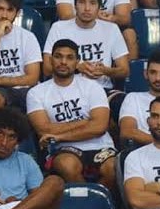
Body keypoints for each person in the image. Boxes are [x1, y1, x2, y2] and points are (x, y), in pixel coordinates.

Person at [28, 39, 117, 190]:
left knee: (113, 168)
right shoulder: (36, 93)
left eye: (69, 57)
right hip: (64, 149)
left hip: (100, 146)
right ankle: (86, 201)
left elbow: (100, 127)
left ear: (77, 62)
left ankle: (99, 201)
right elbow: (44, 130)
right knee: (67, 165)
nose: (63, 62)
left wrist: (60, 135)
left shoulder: (93, 87)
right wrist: (85, 122)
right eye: (58, 56)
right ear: (50, 60)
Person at [44, 0, 129, 114]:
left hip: (101, 89)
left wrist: (106, 70)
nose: (87, 8)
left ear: (99, 7)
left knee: (124, 104)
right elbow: (47, 68)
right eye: (82, 2)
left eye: (92, 3)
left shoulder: (111, 29)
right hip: (67, 89)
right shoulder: (58, 28)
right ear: (75, 5)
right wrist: (77, 67)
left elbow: (124, 70)